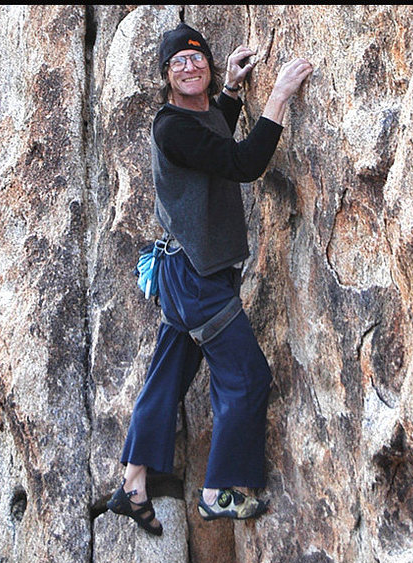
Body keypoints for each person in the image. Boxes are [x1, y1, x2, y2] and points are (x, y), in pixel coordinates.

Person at [107, 23, 313, 536]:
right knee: (247, 378)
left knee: (167, 376)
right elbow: (240, 163)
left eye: (197, 57)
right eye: (178, 62)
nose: (189, 66)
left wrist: (232, 92)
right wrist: (280, 96)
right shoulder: (170, 127)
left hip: (183, 271)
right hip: (198, 278)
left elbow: (214, 135)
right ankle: (220, 491)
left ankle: (132, 484)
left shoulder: (196, 118)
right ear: (166, 77)